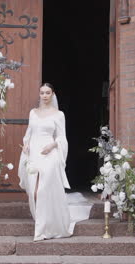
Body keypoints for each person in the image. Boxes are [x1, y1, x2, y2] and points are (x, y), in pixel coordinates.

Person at [18, 83, 91, 242]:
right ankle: (42, 221)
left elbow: (61, 137)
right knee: (33, 191)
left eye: (47, 93)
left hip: (49, 154)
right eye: (42, 92)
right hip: (34, 154)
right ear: (39, 94)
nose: (44, 95)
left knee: (42, 190)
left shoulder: (59, 114)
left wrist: (52, 145)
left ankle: (42, 230)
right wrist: (26, 144)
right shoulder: (33, 113)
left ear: (52, 94)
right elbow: (28, 133)